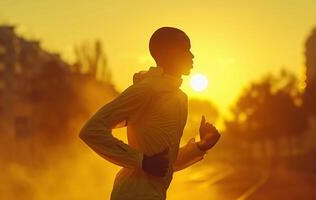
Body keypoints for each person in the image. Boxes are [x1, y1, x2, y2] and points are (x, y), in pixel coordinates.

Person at [79, 27, 221, 200]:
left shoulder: (180, 98)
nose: (192, 56)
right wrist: (141, 161)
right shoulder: (146, 90)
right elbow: (91, 130)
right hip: (132, 194)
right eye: (185, 49)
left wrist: (201, 146)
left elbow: (163, 164)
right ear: (167, 53)